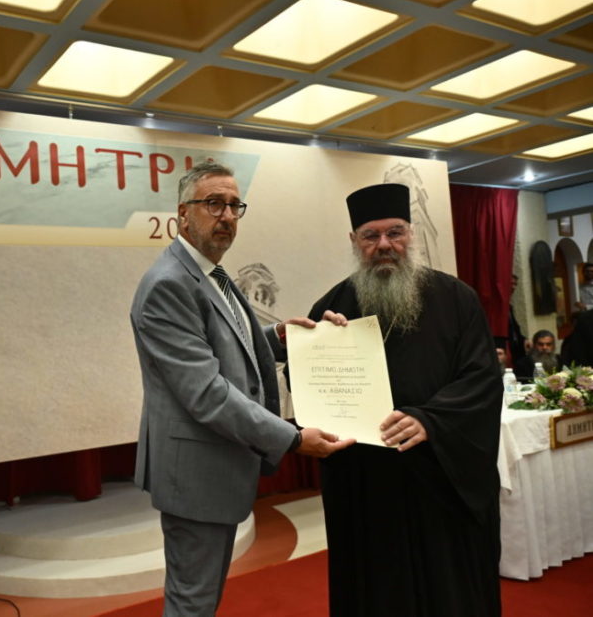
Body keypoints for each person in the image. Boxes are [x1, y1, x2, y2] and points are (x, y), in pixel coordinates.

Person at [130, 161, 354, 615]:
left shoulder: (209, 272)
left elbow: (229, 348)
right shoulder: (169, 284)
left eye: (235, 205)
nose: (227, 216)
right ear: (182, 214)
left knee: (201, 598)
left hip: (214, 466)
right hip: (196, 474)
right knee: (192, 602)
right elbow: (207, 392)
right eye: (214, 203)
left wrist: (281, 336)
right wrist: (292, 438)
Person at [295, 183, 501, 617]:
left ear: (411, 234)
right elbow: (305, 384)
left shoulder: (456, 300)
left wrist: (430, 419)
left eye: (395, 232)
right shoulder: (331, 306)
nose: (384, 244)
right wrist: (320, 344)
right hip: (367, 487)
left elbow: (482, 379)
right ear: (354, 241)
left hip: (440, 481)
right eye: (370, 235)